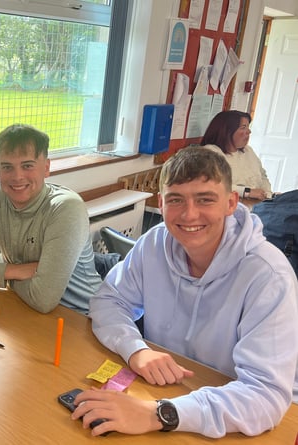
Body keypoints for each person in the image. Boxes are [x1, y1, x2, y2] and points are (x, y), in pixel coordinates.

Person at [73, 146, 298, 438]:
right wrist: (136, 350)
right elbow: (109, 301)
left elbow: (265, 396)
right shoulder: (154, 242)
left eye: (205, 199)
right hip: (174, 394)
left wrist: (159, 413)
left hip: (242, 419)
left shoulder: (269, 276)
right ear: (161, 203)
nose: (190, 215)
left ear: (231, 203)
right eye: (176, 200)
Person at [0, 124, 102, 314]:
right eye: (7, 167)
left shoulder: (66, 208)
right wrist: (14, 271)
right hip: (24, 307)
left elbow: (43, 299)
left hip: (84, 316)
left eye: (27, 166)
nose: (17, 176)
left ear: (46, 167)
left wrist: (2, 276)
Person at [201, 110, 273, 201]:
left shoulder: (248, 150)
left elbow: (263, 175)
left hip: (260, 204)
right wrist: (247, 192)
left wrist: (268, 193)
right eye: (243, 127)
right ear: (227, 130)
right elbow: (212, 184)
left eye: (248, 127)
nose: (249, 131)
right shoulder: (210, 153)